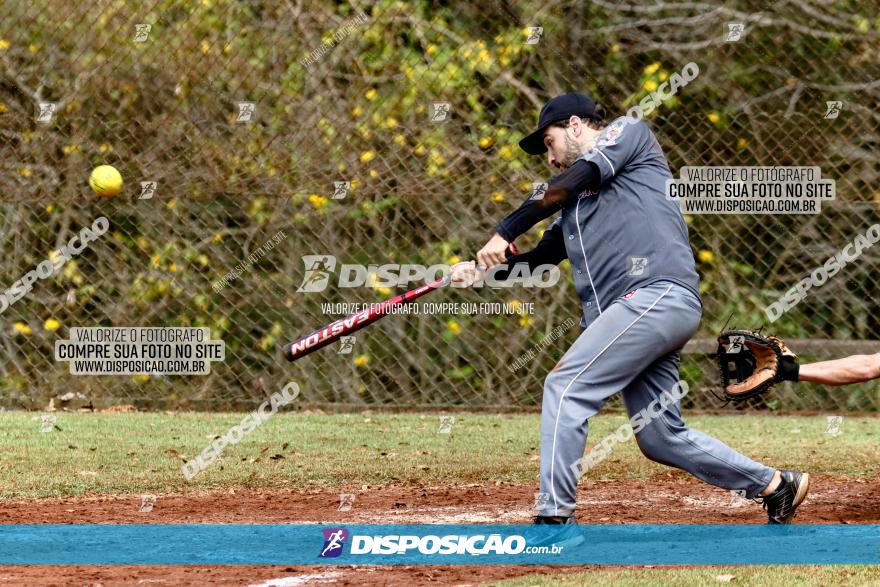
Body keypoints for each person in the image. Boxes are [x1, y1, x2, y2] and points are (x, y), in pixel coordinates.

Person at [451, 93, 809, 532]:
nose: (550, 157)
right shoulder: (576, 205)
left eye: (549, 142)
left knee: (566, 387)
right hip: (635, 317)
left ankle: (554, 519)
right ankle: (775, 485)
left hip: (656, 295)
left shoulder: (628, 134)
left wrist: (504, 229)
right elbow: (541, 258)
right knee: (660, 437)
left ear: (577, 125)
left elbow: (568, 181)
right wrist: (483, 270)